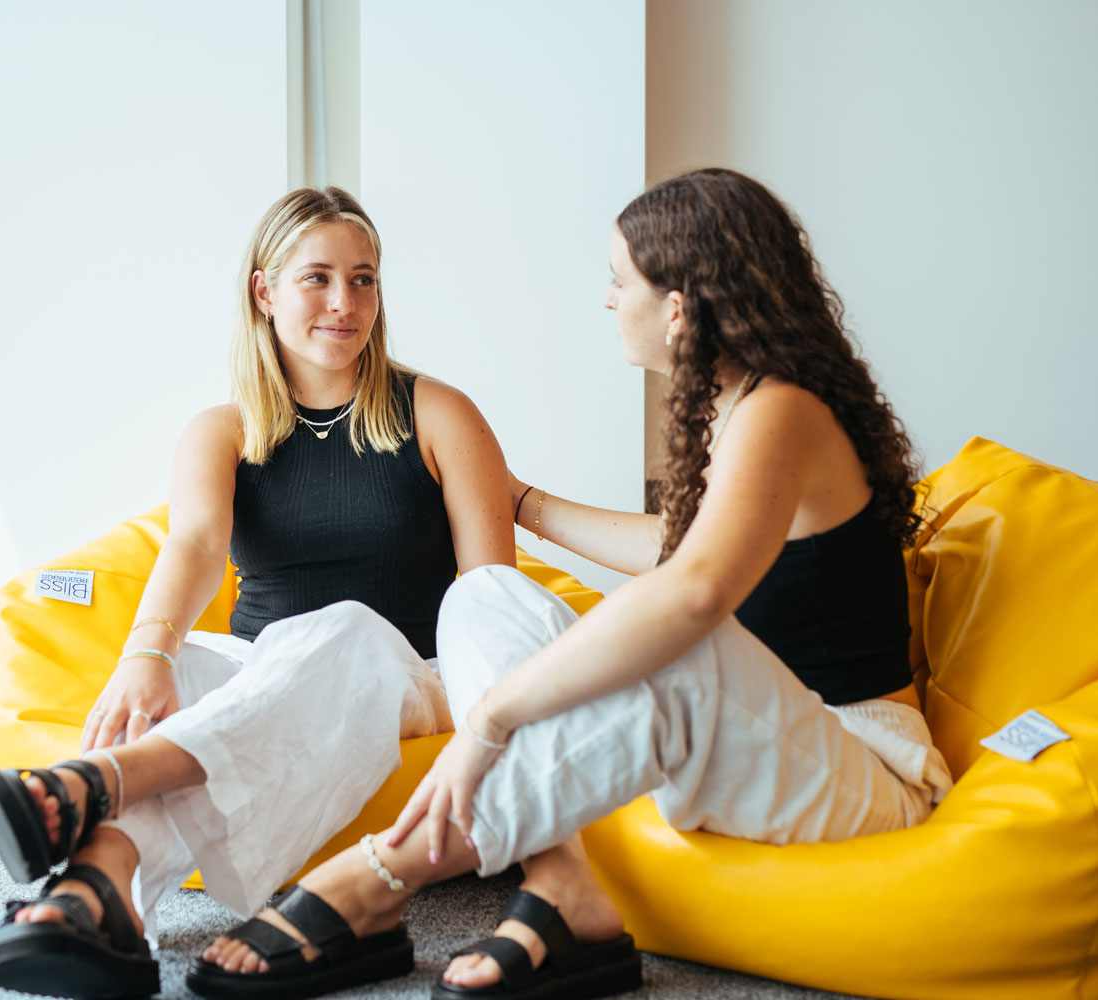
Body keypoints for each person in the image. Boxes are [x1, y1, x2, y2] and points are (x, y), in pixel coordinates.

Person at [192, 168, 953, 1000]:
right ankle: (565, 892)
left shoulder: (783, 408)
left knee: (676, 643)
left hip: (862, 763)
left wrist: (492, 721)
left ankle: (372, 878)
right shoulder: (745, 405)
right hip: (757, 737)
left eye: (620, 280)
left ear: (677, 306)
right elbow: (677, 549)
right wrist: (522, 502)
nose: (608, 299)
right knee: (481, 598)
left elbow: (693, 590)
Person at [0, 186, 513, 1000]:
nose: (345, 303)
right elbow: (194, 544)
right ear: (265, 291)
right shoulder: (223, 430)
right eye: (318, 278)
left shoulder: (438, 412)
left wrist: (483, 708)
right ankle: (98, 894)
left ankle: (104, 782)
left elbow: (490, 597)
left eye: (363, 280)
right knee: (189, 669)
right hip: (266, 668)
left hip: (410, 672)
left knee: (347, 629)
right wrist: (150, 653)